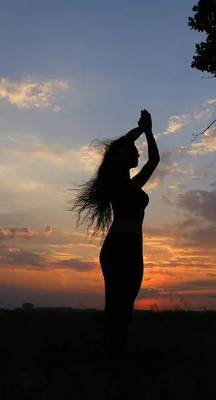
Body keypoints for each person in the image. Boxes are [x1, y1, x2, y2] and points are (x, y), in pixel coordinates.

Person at [70, 109, 160, 358]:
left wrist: (147, 131)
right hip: (120, 247)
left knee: (124, 305)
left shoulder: (130, 185)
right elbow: (129, 147)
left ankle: (115, 352)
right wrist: (143, 131)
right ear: (123, 157)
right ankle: (113, 354)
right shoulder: (118, 184)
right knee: (118, 307)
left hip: (131, 247)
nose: (138, 152)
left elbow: (153, 161)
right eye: (134, 150)